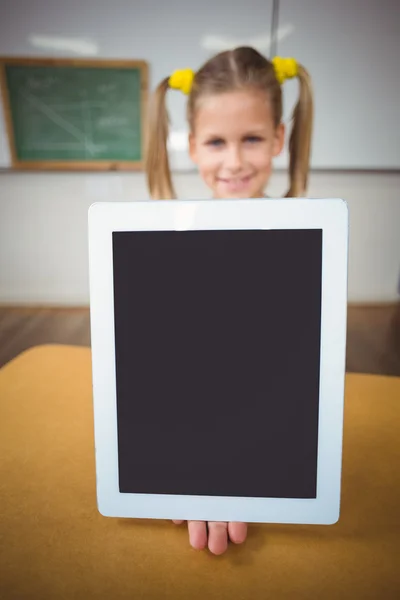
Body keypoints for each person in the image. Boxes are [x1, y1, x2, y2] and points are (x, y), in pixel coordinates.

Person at [145, 46, 313, 555]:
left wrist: (250, 457)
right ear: (192, 146)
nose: (235, 161)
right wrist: (193, 460)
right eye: (216, 142)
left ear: (279, 138)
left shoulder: (309, 244)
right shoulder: (166, 249)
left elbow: (294, 373)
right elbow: (172, 371)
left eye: (253, 139)